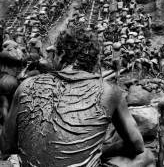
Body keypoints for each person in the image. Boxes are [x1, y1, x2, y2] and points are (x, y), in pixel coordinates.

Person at [0, 29, 154, 167]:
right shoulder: (109, 91)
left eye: (54, 55)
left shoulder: (27, 85)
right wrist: (101, 149)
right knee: (147, 156)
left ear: (61, 55)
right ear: (94, 60)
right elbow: (137, 145)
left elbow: (6, 146)